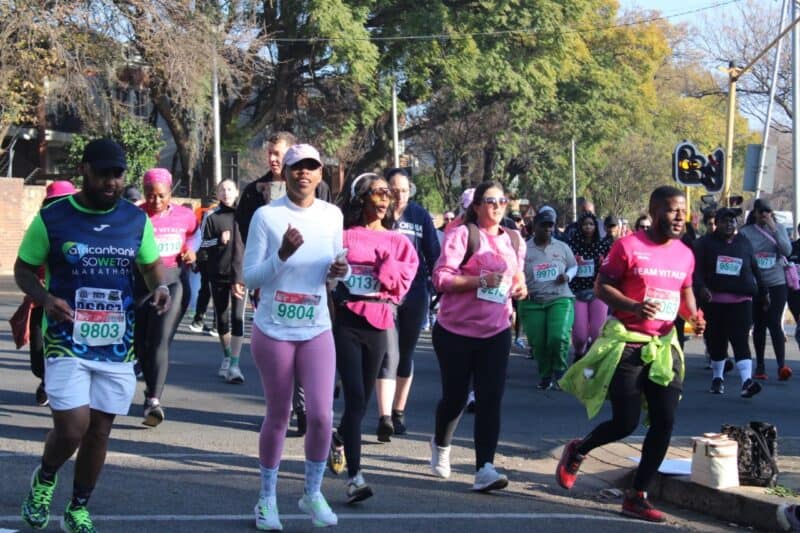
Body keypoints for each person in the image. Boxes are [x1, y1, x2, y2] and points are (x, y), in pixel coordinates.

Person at [15, 138, 169, 532]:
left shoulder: (135, 221)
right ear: (85, 170)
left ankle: (77, 508)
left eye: (117, 174)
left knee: (100, 431)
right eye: (103, 173)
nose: (111, 181)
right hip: (65, 338)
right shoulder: (54, 218)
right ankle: (45, 478)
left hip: (116, 344)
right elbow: (23, 269)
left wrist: (160, 286)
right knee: (72, 428)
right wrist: (45, 299)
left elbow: (151, 265)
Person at [557, 186, 705, 523]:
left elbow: (685, 291)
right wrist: (635, 306)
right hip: (628, 342)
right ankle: (579, 450)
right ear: (654, 212)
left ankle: (637, 495)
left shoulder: (685, 253)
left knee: (665, 420)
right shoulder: (627, 246)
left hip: (664, 345)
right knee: (625, 422)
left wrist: (693, 316)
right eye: (672, 210)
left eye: (683, 210)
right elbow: (601, 287)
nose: (680, 217)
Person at [243, 144, 345, 529]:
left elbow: (336, 271)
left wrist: (342, 271)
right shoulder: (267, 216)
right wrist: (282, 254)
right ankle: (266, 499)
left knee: (321, 416)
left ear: (320, 174)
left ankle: (312, 493)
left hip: (316, 327)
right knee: (280, 414)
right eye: (296, 167)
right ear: (284, 173)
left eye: (311, 167)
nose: (304, 173)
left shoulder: (332, 215)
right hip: (274, 329)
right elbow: (250, 276)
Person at [429, 180, 526, 492]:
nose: (497, 206)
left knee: (490, 398)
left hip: (496, 331)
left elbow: (517, 275)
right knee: (456, 397)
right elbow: (441, 278)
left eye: (502, 201)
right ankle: (441, 443)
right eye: (490, 201)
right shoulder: (463, 234)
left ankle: (485, 467)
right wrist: (480, 281)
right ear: (477, 206)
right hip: (455, 330)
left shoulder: (514, 239)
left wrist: (520, 287)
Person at [333, 172, 417, 503]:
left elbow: (401, 285)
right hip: (346, 321)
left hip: (379, 323)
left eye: (387, 194)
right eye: (377, 193)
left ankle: (339, 438)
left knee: (362, 402)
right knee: (354, 398)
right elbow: (324, 273)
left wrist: (386, 268)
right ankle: (355, 478)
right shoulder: (342, 236)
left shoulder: (399, 243)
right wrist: (334, 273)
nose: (384, 199)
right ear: (361, 198)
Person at [374, 168, 440, 441]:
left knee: (405, 353)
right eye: (394, 190)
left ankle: (399, 410)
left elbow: (433, 254)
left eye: (404, 190)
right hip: (384, 292)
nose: (399, 195)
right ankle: (384, 416)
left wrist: (438, 285)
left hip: (414, 291)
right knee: (387, 352)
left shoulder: (419, 215)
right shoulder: (379, 213)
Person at [135, 168, 198, 426]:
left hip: (173, 281)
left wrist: (191, 250)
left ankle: (153, 400)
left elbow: (195, 234)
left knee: (160, 339)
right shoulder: (135, 216)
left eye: (162, 195)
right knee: (142, 344)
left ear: (170, 192)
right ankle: (149, 388)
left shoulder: (185, 216)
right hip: (142, 284)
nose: (156, 201)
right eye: (150, 195)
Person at [12, 181, 78, 407]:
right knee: (38, 352)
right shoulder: (40, 226)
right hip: (41, 300)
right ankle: (45, 379)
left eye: (64, 201)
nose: (58, 205)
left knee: (71, 351)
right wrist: (37, 286)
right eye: (53, 202)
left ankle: (61, 388)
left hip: (73, 303)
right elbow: (25, 266)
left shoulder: (82, 229)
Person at [692, 208, 764, 397]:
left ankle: (747, 382)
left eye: (732, 221)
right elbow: (696, 271)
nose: (729, 224)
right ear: (717, 223)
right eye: (725, 221)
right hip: (714, 302)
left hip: (741, 302)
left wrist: (763, 292)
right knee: (717, 343)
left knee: (741, 340)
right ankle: (717, 378)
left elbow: (755, 268)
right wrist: (701, 288)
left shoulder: (744, 242)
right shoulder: (704, 244)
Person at [519, 208, 577, 389]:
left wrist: (567, 276)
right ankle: (545, 376)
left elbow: (573, 266)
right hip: (532, 302)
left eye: (550, 226)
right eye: (543, 225)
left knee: (557, 337)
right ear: (534, 226)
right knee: (539, 342)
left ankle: (560, 371)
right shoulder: (524, 249)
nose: (548, 229)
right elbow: (515, 271)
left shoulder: (562, 247)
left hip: (559, 299)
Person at [198, 179, 246, 383]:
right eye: (222, 190)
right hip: (217, 273)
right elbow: (201, 243)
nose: (226, 193)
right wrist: (218, 239)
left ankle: (235, 363)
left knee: (238, 318)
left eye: (229, 189)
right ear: (217, 194)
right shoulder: (211, 216)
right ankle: (227, 355)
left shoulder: (244, 215)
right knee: (222, 318)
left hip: (240, 275)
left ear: (236, 192)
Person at [740, 198, 793, 381]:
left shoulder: (779, 229)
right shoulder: (746, 232)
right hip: (756, 284)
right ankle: (760, 367)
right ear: (754, 213)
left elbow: (787, 251)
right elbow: (743, 255)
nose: (764, 214)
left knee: (774, 322)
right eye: (761, 211)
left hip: (777, 282)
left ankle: (781, 366)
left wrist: (774, 228)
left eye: (767, 211)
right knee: (759, 324)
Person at [567, 212, 610, 362]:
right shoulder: (572, 245)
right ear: (580, 226)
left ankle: (592, 359)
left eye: (591, 224)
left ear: (596, 227)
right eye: (585, 224)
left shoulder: (603, 245)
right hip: (577, 292)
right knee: (580, 336)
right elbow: (565, 265)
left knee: (597, 332)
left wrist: (603, 263)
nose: (588, 227)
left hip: (598, 292)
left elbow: (611, 266)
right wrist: (574, 263)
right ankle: (579, 353)